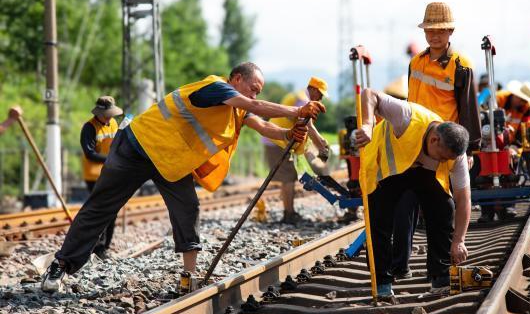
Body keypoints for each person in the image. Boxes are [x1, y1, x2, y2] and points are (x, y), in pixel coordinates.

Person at [41, 62, 325, 292]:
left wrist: (289, 133)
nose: (254, 95)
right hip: (138, 146)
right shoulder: (214, 87)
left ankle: (189, 276)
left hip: (171, 162)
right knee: (101, 206)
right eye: (253, 89)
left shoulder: (237, 108)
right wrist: (296, 110)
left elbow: (263, 124)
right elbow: (257, 107)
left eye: (257, 91)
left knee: (188, 208)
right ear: (236, 78)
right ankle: (61, 265)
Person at [355, 88, 471, 298]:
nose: (444, 162)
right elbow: (369, 94)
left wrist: (459, 240)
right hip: (388, 172)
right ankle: (382, 282)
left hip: (423, 173)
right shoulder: (406, 116)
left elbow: (464, 199)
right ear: (434, 139)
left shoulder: (456, 156)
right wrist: (367, 124)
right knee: (379, 221)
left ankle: (441, 277)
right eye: (442, 157)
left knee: (445, 208)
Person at [395, 2, 480, 280]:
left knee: (440, 209)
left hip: (443, 145)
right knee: (404, 205)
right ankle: (399, 267)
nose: (434, 36)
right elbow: (409, 102)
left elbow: (468, 108)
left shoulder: (461, 65)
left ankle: (439, 273)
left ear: (450, 31)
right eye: (430, 30)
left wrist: (469, 147)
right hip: (414, 143)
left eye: (440, 30)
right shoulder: (416, 62)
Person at [262, 77, 331, 224]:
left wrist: (318, 144)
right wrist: (321, 146)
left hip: (279, 139)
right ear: (312, 89)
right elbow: (309, 126)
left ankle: (289, 212)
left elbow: (306, 126)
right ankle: (289, 215)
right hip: (277, 140)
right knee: (288, 178)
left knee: (289, 177)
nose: (321, 98)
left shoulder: (300, 96)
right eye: (320, 94)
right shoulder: (302, 100)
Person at [478, 80, 530, 222]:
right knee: (482, 177)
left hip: (510, 145)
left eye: (525, 100)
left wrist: (515, 148)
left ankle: (509, 206)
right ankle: (486, 212)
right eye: (521, 99)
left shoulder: (526, 108)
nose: (522, 103)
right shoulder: (497, 99)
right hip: (486, 143)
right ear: (514, 95)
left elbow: (524, 131)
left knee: (512, 173)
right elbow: (479, 116)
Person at [80, 96, 122, 259]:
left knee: (112, 210)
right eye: (107, 114)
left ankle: (104, 246)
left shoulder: (113, 123)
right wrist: (111, 160)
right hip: (94, 175)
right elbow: (90, 154)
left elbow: (117, 144)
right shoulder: (89, 128)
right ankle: (97, 246)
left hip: (111, 171)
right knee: (100, 210)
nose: (110, 117)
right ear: (99, 113)